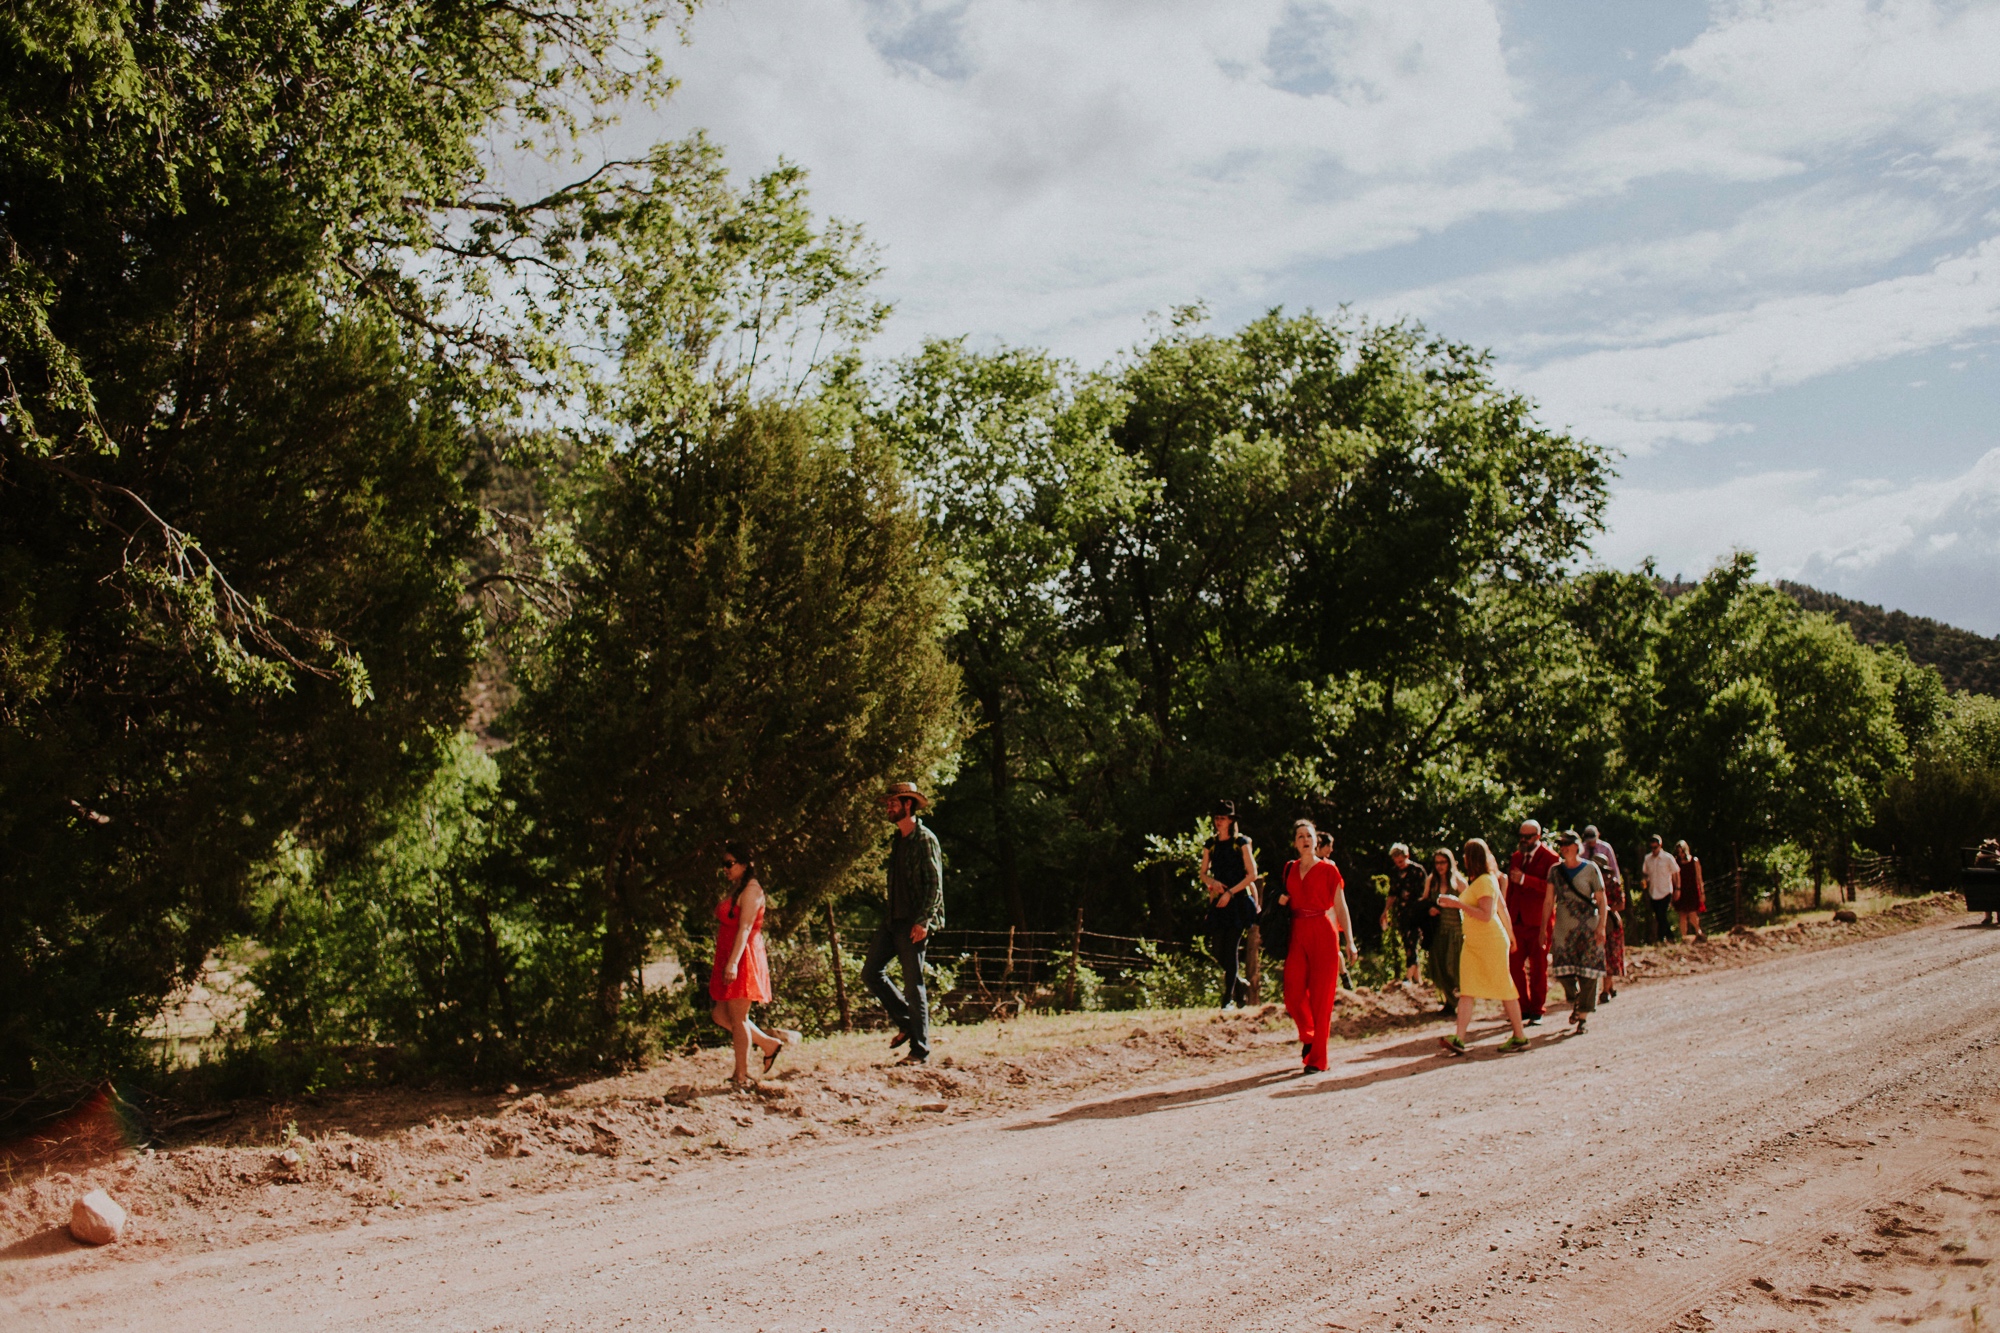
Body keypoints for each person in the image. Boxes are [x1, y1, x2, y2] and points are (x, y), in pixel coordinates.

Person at [865, 781, 944, 1065]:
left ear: (908, 804)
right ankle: (908, 1022)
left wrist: (923, 921)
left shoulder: (925, 839)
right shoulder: (898, 840)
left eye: (893, 803)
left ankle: (919, 1051)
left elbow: (935, 886)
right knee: (871, 972)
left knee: (914, 986)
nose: (888, 807)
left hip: (914, 923)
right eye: (888, 803)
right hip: (893, 921)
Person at [1437, 837, 1530, 1056]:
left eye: (1466, 855)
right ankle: (1459, 1038)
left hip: (1489, 943)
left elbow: (1487, 915)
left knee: (1504, 987)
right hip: (1474, 943)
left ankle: (1520, 1035)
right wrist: (1512, 935)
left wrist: (1456, 903)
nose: (1463, 859)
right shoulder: (1482, 881)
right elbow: (1503, 908)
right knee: (1467, 990)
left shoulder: (1486, 881)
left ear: (1472, 858)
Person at [1280, 819, 1358, 1074]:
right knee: (1292, 994)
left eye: (1309, 836)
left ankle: (1317, 1059)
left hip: (1323, 932)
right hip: (1297, 931)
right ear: (1294, 842)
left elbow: (1341, 905)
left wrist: (1350, 941)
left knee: (1322, 999)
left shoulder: (1328, 870)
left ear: (1316, 842)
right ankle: (1309, 1035)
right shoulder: (1289, 869)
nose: (1305, 840)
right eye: (1300, 836)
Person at [710, 842, 787, 1085]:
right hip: (730, 953)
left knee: (738, 1017)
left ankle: (741, 1075)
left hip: (743, 956)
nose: (725, 868)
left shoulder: (752, 890)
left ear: (745, 864)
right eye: (724, 864)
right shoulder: (737, 888)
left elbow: (744, 928)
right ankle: (768, 1043)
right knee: (720, 1015)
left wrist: (733, 963)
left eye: (729, 863)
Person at [1200, 800, 1259, 1008]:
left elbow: (1253, 874)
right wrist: (1213, 883)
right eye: (1216, 818)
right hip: (1219, 901)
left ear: (1231, 820)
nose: (1218, 822)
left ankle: (1228, 998)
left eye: (1222, 818)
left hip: (1237, 900)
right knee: (1217, 950)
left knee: (1231, 947)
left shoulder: (1241, 842)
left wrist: (1231, 893)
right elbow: (1203, 873)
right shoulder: (1211, 844)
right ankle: (1239, 984)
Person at [1548, 831, 1609, 1032]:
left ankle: (1582, 1017)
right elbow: (1549, 901)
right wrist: (1543, 929)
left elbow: (1601, 900)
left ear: (1576, 846)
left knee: (1589, 972)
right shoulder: (1555, 871)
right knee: (1562, 970)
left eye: (1567, 844)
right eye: (1561, 844)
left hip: (1588, 926)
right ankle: (1575, 998)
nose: (1563, 847)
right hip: (1564, 927)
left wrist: (1601, 927)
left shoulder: (1591, 869)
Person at [1506, 820, 1559, 1025]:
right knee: (1514, 966)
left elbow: (1552, 889)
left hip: (1539, 921)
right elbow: (1511, 888)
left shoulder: (1551, 858)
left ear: (1537, 837)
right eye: (1521, 836)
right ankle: (1523, 1007)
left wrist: (1525, 879)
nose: (1523, 840)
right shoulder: (1516, 857)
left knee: (1538, 968)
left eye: (1527, 837)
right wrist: (1508, 919)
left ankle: (1537, 1009)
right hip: (1517, 920)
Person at [1315, 829, 1361, 989]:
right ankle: (1341, 977)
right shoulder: (1304, 864)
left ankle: (1342, 977)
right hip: (1314, 913)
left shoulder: (1330, 866)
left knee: (1331, 947)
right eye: (1329, 846)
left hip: (1329, 911)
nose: (1331, 850)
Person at [1425, 847, 1466, 1015]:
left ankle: (1461, 1001)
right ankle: (1449, 1002)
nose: (1440, 866)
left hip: (1455, 930)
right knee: (1440, 966)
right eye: (1437, 863)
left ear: (1449, 863)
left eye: (1443, 862)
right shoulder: (1432, 880)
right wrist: (1430, 909)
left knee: (1454, 967)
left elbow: (1470, 902)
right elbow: (1424, 900)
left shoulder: (1458, 881)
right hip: (1438, 930)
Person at [1385, 843, 1431, 984]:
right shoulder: (1394, 873)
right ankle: (1418, 981)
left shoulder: (1417, 871)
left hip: (1417, 913)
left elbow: (1426, 893)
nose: (1399, 864)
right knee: (1407, 944)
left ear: (1407, 856)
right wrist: (1385, 912)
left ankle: (1407, 978)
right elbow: (1392, 894)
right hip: (1402, 913)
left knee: (1412, 942)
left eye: (1401, 861)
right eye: (1396, 861)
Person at [1595, 845, 1626, 1001]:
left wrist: (1606, 908)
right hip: (1595, 921)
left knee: (1610, 956)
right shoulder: (1591, 885)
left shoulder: (1614, 883)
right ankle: (1609, 986)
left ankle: (1605, 990)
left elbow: (1621, 904)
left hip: (1611, 922)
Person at [1640, 834, 1680, 944]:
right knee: (1658, 916)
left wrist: (1678, 888)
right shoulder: (1647, 859)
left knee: (1662, 914)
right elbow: (1645, 873)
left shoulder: (1668, 858)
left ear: (1660, 845)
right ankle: (1667, 937)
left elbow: (1676, 872)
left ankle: (1663, 937)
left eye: (1655, 847)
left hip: (1666, 890)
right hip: (1653, 890)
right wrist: (1644, 881)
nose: (1653, 850)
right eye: (1651, 847)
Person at [1673, 840, 1707, 942]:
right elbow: (1674, 878)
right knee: (1682, 915)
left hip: (1692, 890)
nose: (1681, 854)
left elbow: (1699, 878)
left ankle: (1698, 932)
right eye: (1679, 852)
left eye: (1682, 851)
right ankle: (1684, 938)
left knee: (1692, 914)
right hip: (1681, 890)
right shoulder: (1676, 862)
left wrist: (1702, 892)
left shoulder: (1694, 861)